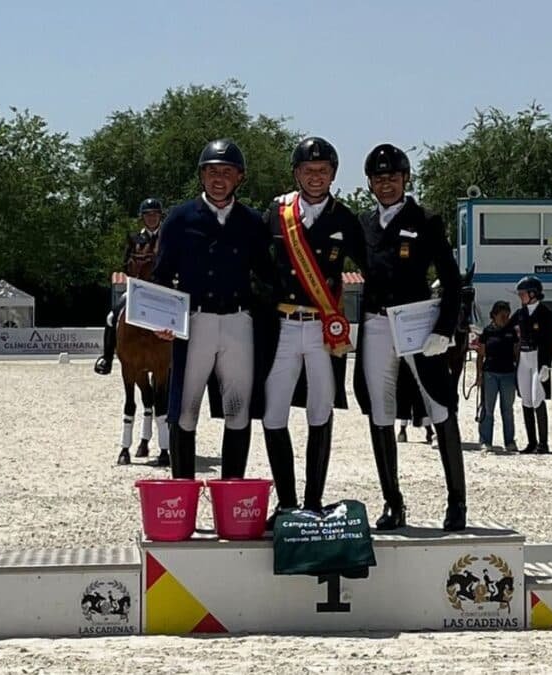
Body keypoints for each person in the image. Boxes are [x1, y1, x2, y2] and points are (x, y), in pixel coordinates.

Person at [353, 143, 466, 532]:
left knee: (440, 406)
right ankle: (392, 502)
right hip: (376, 321)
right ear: (370, 183)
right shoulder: (362, 224)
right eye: (379, 179)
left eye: (393, 178)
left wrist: (444, 328)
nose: (386, 185)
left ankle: (457, 503)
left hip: (416, 320)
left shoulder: (427, 220)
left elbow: (452, 280)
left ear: (405, 179)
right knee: (379, 411)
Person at [151, 139, 272, 479]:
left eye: (227, 172)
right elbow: (161, 274)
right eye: (212, 172)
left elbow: (266, 275)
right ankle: (182, 490)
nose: (219, 179)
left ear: (239, 178)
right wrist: (161, 319)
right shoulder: (179, 218)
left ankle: (232, 492)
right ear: (202, 176)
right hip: (195, 320)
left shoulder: (251, 221)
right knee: (185, 410)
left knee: (239, 409)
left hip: (237, 322)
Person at [258, 137, 362, 518]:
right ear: (296, 173)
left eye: (322, 170)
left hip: (324, 328)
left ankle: (314, 501)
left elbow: (372, 265)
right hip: (283, 324)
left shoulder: (345, 218)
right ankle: (286, 502)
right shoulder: (275, 212)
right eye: (308, 170)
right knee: (274, 413)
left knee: (320, 410)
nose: (315, 177)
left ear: (333, 173)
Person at [94, 198, 164, 375]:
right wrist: (134, 272)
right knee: (112, 316)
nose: (152, 218)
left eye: (155, 214)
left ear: (160, 216)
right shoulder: (135, 238)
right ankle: (107, 358)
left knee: (186, 318)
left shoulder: (168, 237)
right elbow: (124, 264)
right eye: (148, 215)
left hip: (164, 290)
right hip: (138, 289)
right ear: (143, 218)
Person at [510, 277, 552, 454]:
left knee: (538, 398)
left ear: (533, 294)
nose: (520, 297)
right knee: (527, 400)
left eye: (523, 294)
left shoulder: (545, 313)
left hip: (538, 358)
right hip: (524, 357)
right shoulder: (521, 313)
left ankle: (543, 443)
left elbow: (549, 341)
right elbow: (506, 328)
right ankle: (531, 442)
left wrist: (547, 365)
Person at [474, 300, 518, 453]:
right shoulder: (487, 332)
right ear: (494, 315)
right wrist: (479, 375)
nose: (505, 318)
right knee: (487, 409)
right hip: (490, 373)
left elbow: (516, 353)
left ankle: (510, 441)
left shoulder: (511, 332)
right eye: (502, 315)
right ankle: (485, 441)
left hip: (508, 374)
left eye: (507, 315)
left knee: (507, 410)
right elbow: (480, 355)